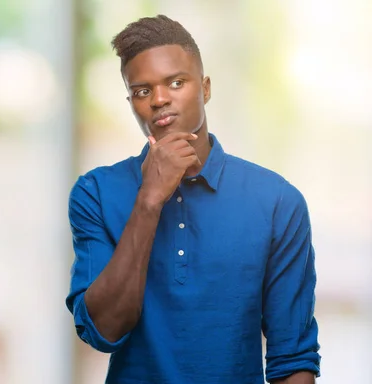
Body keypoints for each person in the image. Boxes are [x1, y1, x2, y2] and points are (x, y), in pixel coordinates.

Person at [65, 15, 320, 384]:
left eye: (176, 82)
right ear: (132, 102)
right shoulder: (95, 193)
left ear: (205, 88)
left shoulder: (277, 201)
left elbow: (292, 357)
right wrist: (149, 200)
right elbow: (102, 330)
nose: (160, 99)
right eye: (142, 91)